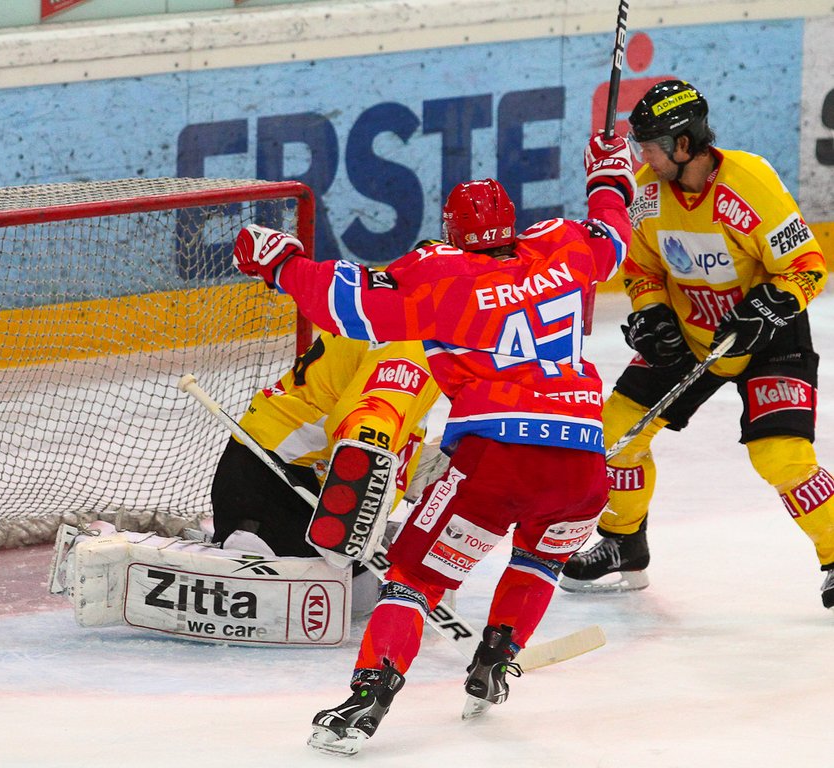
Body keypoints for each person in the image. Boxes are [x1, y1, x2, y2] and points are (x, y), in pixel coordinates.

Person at [230, 133, 634, 755]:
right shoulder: (565, 245)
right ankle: (496, 661)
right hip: (583, 465)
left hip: (496, 460)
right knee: (538, 559)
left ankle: (367, 701)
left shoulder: (443, 274)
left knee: (412, 580)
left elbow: (347, 303)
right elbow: (613, 233)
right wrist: (609, 176)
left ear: (451, 231)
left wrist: (279, 264)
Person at [558, 80, 834, 611]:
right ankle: (623, 542)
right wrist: (651, 313)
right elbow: (641, 269)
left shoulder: (749, 183)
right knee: (615, 433)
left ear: (683, 144)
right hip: (690, 336)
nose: (643, 157)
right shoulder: (645, 195)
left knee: (782, 457)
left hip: (768, 340)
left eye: (650, 146)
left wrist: (771, 305)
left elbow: (806, 265)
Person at [210, 330, 443, 559]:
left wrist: (407, 464)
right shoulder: (413, 345)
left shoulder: (395, 321)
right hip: (284, 486)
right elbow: (363, 433)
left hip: (262, 464)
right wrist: (354, 523)